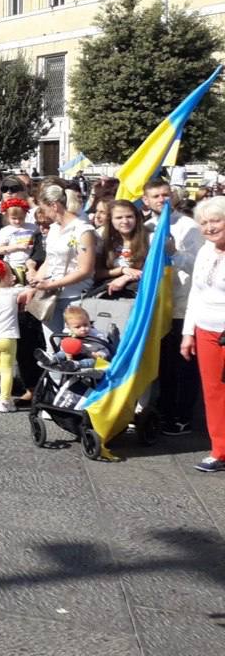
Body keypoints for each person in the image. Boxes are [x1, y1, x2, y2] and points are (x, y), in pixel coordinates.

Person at [147, 178, 206, 437]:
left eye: (165, 194)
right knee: (163, 363)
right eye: (156, 196)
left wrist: (174, 253)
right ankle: (165, 408)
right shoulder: (146, 226)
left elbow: (198, 266)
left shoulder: (189, 227)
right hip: (158, 305)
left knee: (184, 364)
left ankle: (183, 415)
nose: (162, 200)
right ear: (146, 200)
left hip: (182, 305)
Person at [180, 195, 225, 472]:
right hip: (205, 330)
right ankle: (219, 450)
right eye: (204, 223)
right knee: (213, 392)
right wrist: (188, 333)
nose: (209, 227)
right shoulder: (205, 251)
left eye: (216, 220)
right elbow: (195, 294)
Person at [27, 184, 97, 339]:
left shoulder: (83, 230)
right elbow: (49, 260)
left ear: (54, 206)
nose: (44, 214)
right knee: (52, 343)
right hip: (50, 296)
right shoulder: (53, 229)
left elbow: (85, 270)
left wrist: (52, 284)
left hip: (75, 297)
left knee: (75, 345)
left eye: (44, 209)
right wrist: (36, 280)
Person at [0, 258, 30, 412]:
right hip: (7, 337)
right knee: (7, 370)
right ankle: (5, 402)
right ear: (3, 277)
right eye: (11, 275)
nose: (14, 277)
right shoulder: (14, 291)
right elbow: (28, 289)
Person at [97, 198, 151, 297]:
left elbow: (155, 271)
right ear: (111, 220)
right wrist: (122, 270)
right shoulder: (103, 238)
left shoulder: (150, 238)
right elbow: (96, 273)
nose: (125, 221)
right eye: (119, 218)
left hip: (138, 295)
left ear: (136, 218)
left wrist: (125, 278)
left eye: (129, 216)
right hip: (108, 294)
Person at [36, 305, 112, 373]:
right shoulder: (68, 333)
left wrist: (101, 354)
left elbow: (105, 348)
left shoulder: (96, 335)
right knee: (62, 353)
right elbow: (64, 346)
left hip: (91, 356)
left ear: (89, 322)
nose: (83, 329)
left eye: (86, 325)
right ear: (69, 327)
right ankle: (52, 358)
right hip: (73, 354)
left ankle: (76, 364)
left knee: (95, 362)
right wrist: (68, 348)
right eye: (78, 327)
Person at [0, 196, 36, 282]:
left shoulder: (32, 227)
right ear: (7, 216)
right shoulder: (5, 231)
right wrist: (17, 247)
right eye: (14, 218)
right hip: (12, 265)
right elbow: (0, 250)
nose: (17, 221)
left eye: (21, 218)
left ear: (25, 214)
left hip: (30, 264)